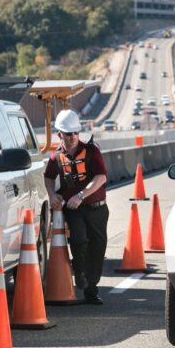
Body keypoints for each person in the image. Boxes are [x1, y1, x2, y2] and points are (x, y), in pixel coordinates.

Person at [44, 109, 109, 305]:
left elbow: (101, 177)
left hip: (97, 208)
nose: (72, 137)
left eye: (74, 133)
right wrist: (52, 194)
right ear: (59, 135)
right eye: (67, 133)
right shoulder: (56, 157)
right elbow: (48, 177)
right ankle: (79, 271)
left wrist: (81, 195)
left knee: (97, 248)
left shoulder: (92, 152)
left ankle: (91, 289)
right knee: (79, 240)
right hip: (74, 211)